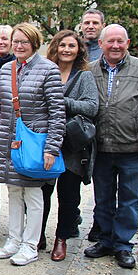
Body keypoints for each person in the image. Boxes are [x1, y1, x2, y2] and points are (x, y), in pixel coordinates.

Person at [0, 22, 65, 266]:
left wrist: (52, 147)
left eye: (24, 41)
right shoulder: (7, 69)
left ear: (34, 44)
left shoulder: (48, 69)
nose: (19, 46)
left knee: (33, 194)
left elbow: (57, 112)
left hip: (35, 143)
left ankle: (30, 245)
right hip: (8, 142)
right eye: (16, 41)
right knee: (12, 191)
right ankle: (13, 240)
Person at [86, 24, 138, 269]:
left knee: (129, 200)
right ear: (102, 44)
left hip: (132, 150)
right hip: (102, 149)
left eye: (120, 41)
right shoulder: (91, 70)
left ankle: (123, 245)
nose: (115, 46)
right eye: (110, 42)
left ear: (127, 43)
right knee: (103, 198)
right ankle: (105, 240)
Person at [39, 30, 98, 261]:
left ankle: (61, 239)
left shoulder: (84, 76)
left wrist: (62, 101)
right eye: (62, 45)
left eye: (71, 46)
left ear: (78, 50)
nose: (66, 49)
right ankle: (37, 235)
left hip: (72, 147)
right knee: (42, 193)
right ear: (55, 47)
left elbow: (92, 107)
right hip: (45, 142)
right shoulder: (46, 72)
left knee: (68, 196)